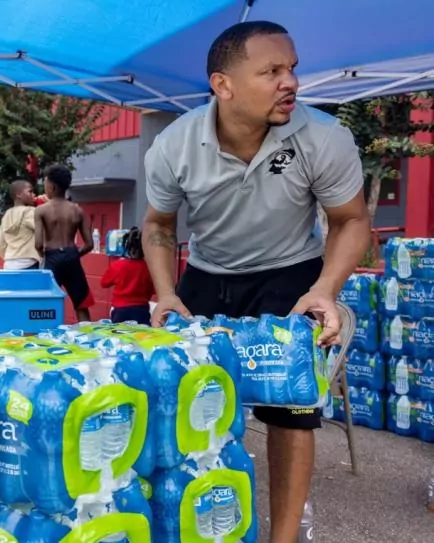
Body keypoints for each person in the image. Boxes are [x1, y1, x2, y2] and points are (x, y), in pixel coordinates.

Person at [142, 21, 370, 543]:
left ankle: (284, 535)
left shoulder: (323, 137)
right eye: (271, 71)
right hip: (206, 277)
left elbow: (351, 220)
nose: (290, 82)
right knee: (188, 403)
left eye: (292, 68)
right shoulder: (174, 145)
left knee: (291, 412)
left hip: (291, 275)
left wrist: (326, 289)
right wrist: (167, 293)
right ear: (223, 85)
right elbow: (158, 224)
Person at [35, 164, 95, 322]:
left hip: (52, 257)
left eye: (45, 183)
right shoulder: (77, 210)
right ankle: (86, 333)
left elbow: (38, 244)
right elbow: (89, 244)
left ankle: (46, 334)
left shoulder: (41, 210)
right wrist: (73, 255)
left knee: (46, 304)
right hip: (72, 255)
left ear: (52, 187)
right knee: (81, 304)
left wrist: (44, 256)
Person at [101, 227, 155, 325]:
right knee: (142, 334)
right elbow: (152, 290)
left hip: (120, 310)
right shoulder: (149, 268)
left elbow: (104, 283)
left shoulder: (118, 265)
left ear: (126, 246)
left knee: (120, 334)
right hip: (141, 310)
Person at [0, 179, 40, 269]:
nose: (34, 195)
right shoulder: (30, 211)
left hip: (9, 263)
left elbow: (1, 244)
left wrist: (9, 257)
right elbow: (45, 232)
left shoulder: (7, 215)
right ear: (19, 194)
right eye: (30, 192)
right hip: (29, 262)